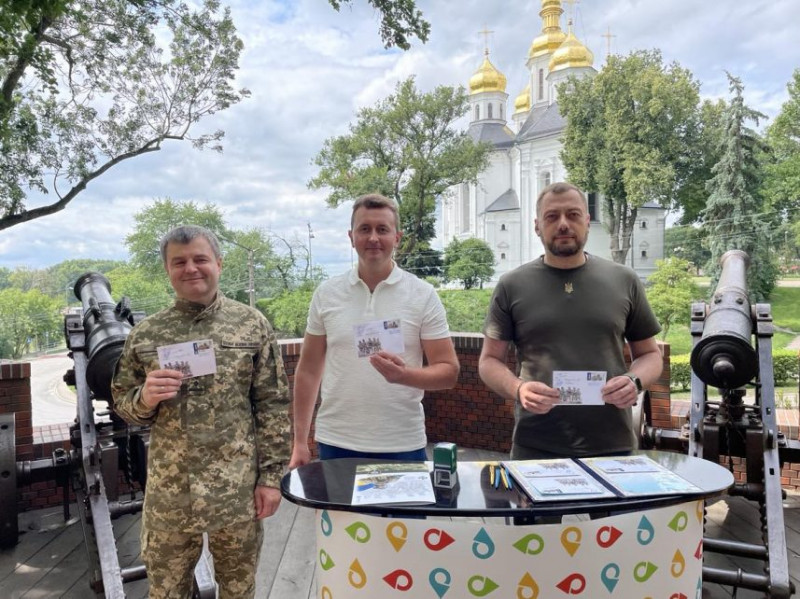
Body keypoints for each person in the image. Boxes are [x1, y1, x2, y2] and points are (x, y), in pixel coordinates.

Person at [111, 225, 290, 599]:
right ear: (168, 270)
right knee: (165, 591)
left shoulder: (251, 325)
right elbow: (123, 406)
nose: (191, 268)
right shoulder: (145, 335)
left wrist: (270, 479)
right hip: (170, 496)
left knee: (238, 591)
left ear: (219, 264)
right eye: (180, 262)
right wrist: (145, 398)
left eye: (200, 259)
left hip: (236, 490)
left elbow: (272, 405)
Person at [479, 182, 663, 460]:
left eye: (573, 215)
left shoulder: (624, 280)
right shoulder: (511, 285)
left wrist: (634, 381)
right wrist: (518, 388)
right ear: (537, 226)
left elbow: (650, 354)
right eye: (552, 217)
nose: (563, 224)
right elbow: (489, 361)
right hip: (536, 446)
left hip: (613, 445)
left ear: (587, 221)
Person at [289, 193, 459, 467]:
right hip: (336, 442)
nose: (373, 238)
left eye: (382, 229)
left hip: (402, 442)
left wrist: (405, 376)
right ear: (351, 236)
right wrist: (299, 442)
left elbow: (449, 372)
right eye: (364, 229)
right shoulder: (327, 294)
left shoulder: (423, 295)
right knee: (342, 513)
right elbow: (308, 370)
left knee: (403, 513)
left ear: (397, 237)